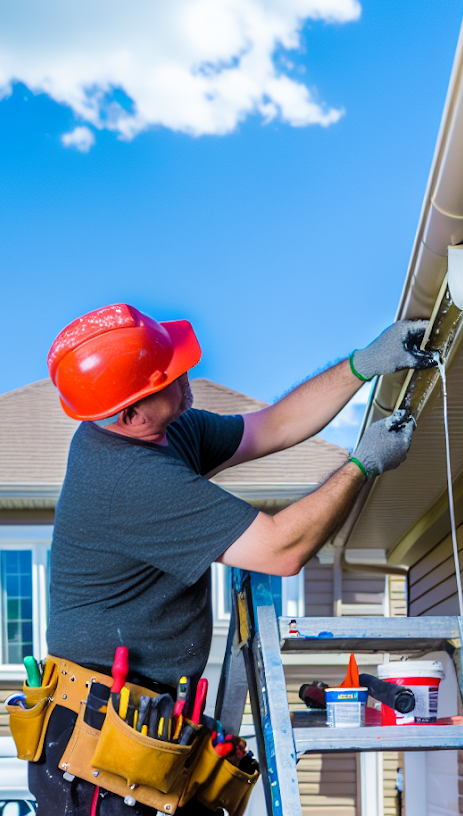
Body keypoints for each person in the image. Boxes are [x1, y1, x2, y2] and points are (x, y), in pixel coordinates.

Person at [30, 302, 434, 814]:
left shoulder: (161, 430)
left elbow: (273, 426)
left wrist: (363, 364)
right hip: (99, 752)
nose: (186, 374)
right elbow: (281, 550)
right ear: (130, 412)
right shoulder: (127, 480)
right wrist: (362, 464)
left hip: (148, 720)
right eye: (170, 375)